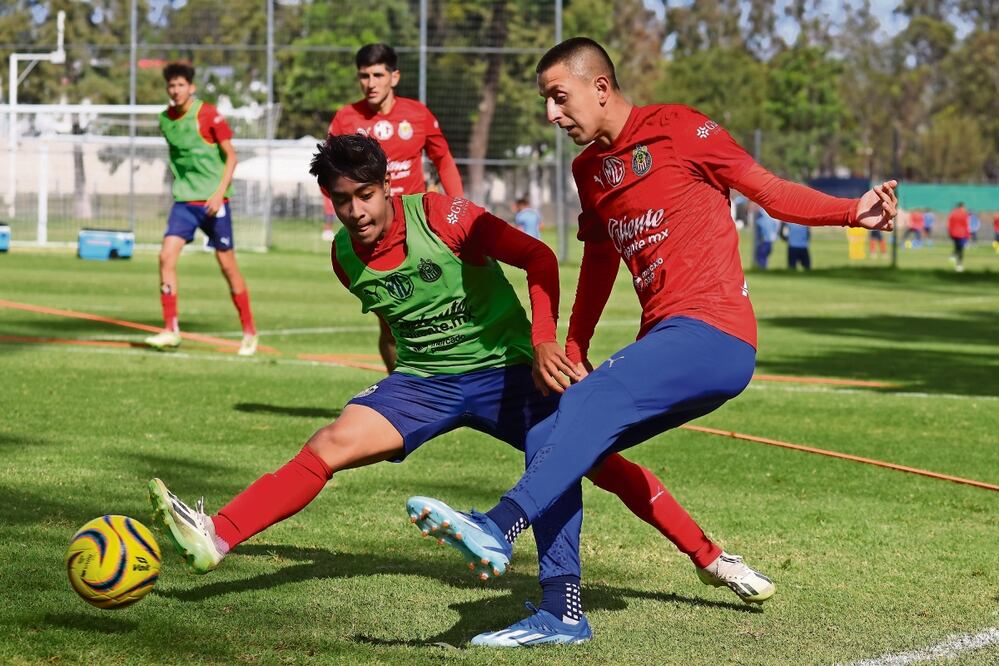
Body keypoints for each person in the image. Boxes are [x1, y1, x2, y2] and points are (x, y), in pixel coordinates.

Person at [148, 134, 763, 646]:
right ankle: (218, 535)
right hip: (424, 383)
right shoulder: (344, 257)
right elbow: (396, 322)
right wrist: (390, 380)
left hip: (508, 374)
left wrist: (546, 341)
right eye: (343, 200)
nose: (357, 211)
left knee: (589, 460)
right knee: (331, 442)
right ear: (328, 201)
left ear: (387, 186)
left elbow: (541, 258)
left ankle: (703, 559)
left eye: (366, 195)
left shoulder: (443, 218)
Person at [404, 37, 898, 645]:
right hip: (665, 337)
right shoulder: (588, 169)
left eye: (559, 98)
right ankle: (561, 611)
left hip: (715, 334)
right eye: (546, 102)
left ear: (600, 88)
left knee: (582, 409)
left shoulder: (680, 129)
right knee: (549, 435)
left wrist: (853, 211)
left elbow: (766, 190)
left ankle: (499, 525)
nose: (552, 115)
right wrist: (575, 343)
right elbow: (600, 257)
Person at [145, 62, 258, 356]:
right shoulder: (165, 119)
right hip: (184, 202)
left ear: (191, 87)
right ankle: (171, 329)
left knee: (227, 267)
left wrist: (219, 194)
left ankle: (249, 332)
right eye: (171, 85)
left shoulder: (208, 114)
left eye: (181, 84)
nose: (176, 90)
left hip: (214, 203)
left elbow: (231, 157)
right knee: (165, 256)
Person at [320, 44, 463, 241]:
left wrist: (459, 207)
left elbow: (443, 160)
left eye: (378, 75)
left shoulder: (418, 114)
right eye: (364, 76)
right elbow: (328, 172)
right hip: (370, 225)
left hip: (415, 221)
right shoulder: (346, 118)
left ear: (394, 77)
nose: (371, 84)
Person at [947, 202, 970, 272]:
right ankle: (959, 265)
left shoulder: (952, 213)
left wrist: (950, 233)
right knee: (960, 249)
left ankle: (952, 256)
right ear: (962, 207)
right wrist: (967, 235)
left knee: (957, 246)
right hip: (961, 233)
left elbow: (949, 224)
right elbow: (966, 225)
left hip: (953, 233)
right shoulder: (964, 214)